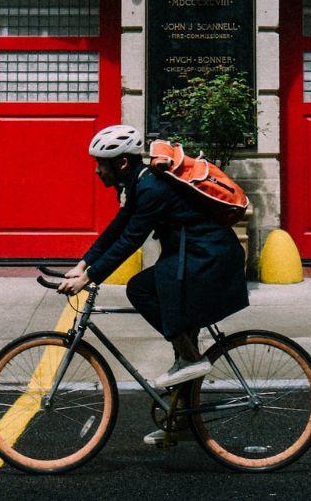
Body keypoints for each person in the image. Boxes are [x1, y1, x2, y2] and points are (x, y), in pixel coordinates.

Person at [58, 124, 249, 441]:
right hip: (194, 256)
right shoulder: (140, 183)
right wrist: (82, 264)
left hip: (209, 257)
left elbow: (130, 240)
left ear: (120, 163)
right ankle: (182, 420)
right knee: (178, 329)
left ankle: (190, 357)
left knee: (142, 288)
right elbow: (118, 226)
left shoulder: (151, 189)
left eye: (100, 164)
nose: (96, 171)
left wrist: (89, 278)